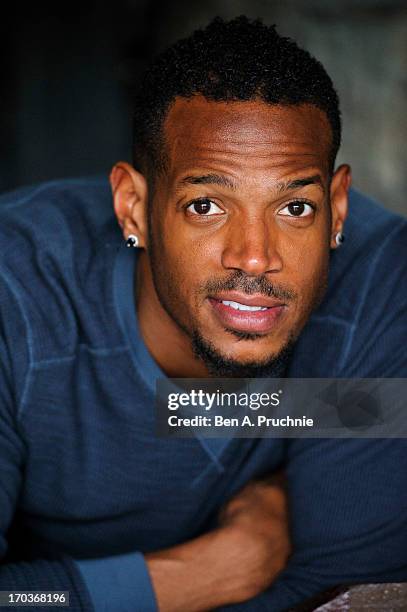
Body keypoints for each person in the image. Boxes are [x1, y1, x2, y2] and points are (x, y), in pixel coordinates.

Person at [0, 15, 406, 612]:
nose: (256, 256)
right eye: (207, 204)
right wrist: (199, 574)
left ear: (337, 208)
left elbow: (343, 596)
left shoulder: (379, 279)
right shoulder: (16, 289)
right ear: (133, 208)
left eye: (295, 206)